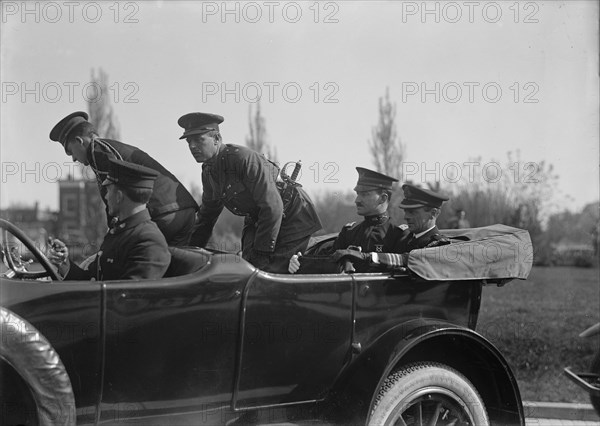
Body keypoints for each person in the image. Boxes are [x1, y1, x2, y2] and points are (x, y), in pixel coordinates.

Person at [177, 112, 322, 273]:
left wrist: (262, 253)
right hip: (259, 217)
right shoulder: (209, 172)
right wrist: (190, 251)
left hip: (293, 214)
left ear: (217, 139)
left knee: (270, 272)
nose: (192, 146)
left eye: (199, 140)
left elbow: (272, 207)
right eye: (189, 141)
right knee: (246, 269)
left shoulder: (243, 159)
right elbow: (207, 216)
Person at [49, 111, 198, 246]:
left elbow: (116, 198)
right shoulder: (109, 147)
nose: (74, 158)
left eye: (71, 152)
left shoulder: (98, 151)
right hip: (183, 210)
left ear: (80, 141)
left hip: (163, 214)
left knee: (122, 258)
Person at [48, 158, 171, 281]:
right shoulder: (121, 232)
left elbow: (126, 296)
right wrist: (64, 263)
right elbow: (92, 280)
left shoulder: (148, 241)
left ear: (118, 197)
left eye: (108, 191)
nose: (106, 197)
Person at [289, 167, 410, 273]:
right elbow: (329, 262)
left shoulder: (398, 234)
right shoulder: (349, 231)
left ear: (383, 198)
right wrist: (300, 262)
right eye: (358, 194)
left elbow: (404, 266)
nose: (357, 200)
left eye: (365, 194)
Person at [331, 183, 451, 270]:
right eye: (406, 211)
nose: (406, 217)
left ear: (433, 213)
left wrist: (365, 256)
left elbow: (406, 259)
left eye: (413, 212)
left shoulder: (439, 244)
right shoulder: (408, 240)